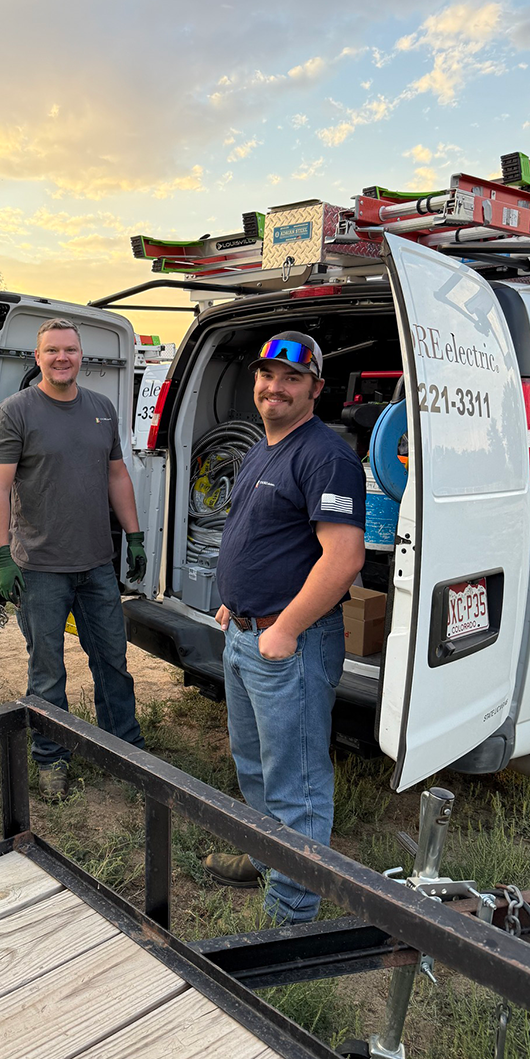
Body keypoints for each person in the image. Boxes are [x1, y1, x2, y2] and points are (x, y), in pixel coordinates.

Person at [203, 330, 366, 925]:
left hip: (288, 645)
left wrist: (286, 627)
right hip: (246, 632)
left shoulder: (326, 455)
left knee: (295, 779)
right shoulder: (263, 446)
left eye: (292, 378)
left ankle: (292, 911)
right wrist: (235, 601)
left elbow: (343, 559)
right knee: (253, 764)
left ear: (315, 389)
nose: (275, 386)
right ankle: (266, 857)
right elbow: (262, 535)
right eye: (267, 376)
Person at [0, 318, 147, 801]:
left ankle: (126, 750)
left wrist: (133, 537)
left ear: (82, 357)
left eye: (70, 350)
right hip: (39, 568)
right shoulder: (15, 412)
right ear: (37, 358)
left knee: (112, 662)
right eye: (52, 350)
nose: (62, 358)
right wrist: (0, 554)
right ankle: (51, 758)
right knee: (48, 670)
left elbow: (117, 475)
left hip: (97, 564)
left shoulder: (101, 409)